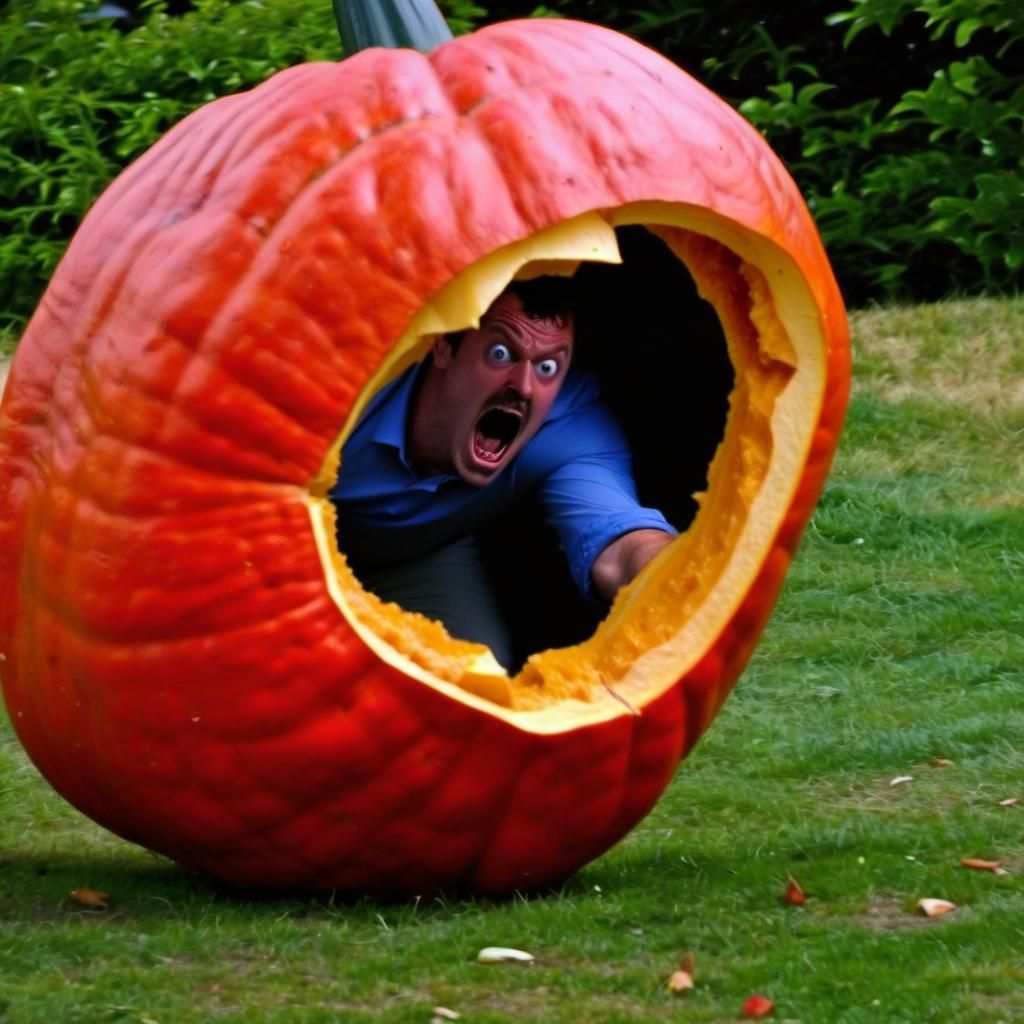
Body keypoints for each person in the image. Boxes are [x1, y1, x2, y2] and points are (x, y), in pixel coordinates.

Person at [331, 277, 675, 669]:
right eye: (500, 353)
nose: (524, 387)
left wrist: (671, 573)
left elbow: (616, 540)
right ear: (443, 344)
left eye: (547, 367)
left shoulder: (570, 427)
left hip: (413, 556)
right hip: (277, 536)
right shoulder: (358, 376)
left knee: (477, 678)